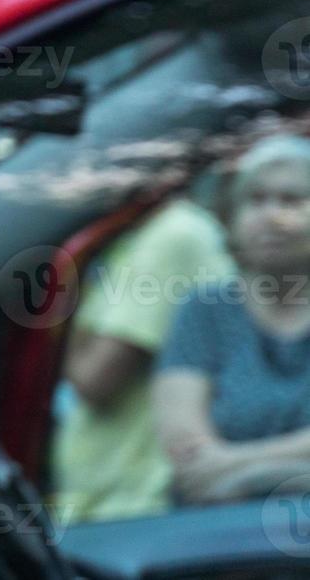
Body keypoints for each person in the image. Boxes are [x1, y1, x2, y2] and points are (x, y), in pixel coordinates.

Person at [50, 198, 232, 522]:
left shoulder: (171, 236)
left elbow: (95, 379)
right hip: (112, 502)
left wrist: (59, 301)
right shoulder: (137, 234)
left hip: (136, 505)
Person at [154, 136, 310, 505]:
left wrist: (244, 474)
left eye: (292, 200)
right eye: (255, 200)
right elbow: (187, 454)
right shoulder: (204, 310)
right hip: (218, 542)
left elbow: (213, 472)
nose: (271, 216)